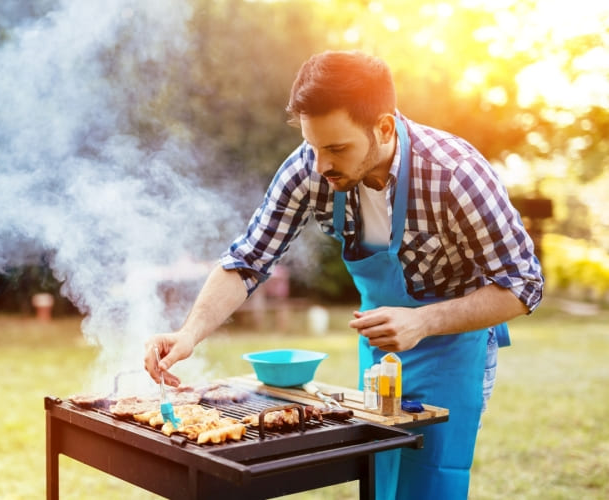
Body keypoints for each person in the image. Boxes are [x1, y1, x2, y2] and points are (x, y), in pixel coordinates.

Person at [143, 50, 543, 499]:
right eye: (313, 146)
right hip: (379, 353)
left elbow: (523, 285)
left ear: (384, 128)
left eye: (336, 148)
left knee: (431, 480)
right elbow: (248, 259)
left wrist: (423, 321)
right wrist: (189, 333)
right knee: (379, 477)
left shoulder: (455, 174)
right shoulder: (310, 168)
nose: (320, 165)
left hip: (454, 347)